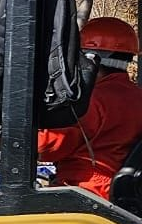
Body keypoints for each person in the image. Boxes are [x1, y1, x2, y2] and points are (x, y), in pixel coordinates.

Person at [38, 17, 142, 200]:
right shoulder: (136, 97)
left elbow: (46, 147)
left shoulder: (90, 100)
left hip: (85, 190)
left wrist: (4, 135)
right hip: (119, 192)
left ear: (88, 58)